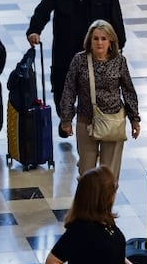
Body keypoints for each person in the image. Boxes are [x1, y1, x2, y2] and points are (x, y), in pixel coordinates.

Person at [26, 0, 126, 115]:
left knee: (95, 98)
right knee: (61, 94)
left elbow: (117, 23)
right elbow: (42, 11)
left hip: (96, 57)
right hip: (65, 56)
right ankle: (66, 120)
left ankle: (89, 127)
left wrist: (116, 49)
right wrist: (34, 31)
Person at [59, 20, 141, 179]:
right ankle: (87, 203)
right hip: (87, 120)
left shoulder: (119, 61)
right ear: (89, 41)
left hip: (113, 122)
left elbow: (128, 90)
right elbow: (69, 90)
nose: (99, 42)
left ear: (111, 42)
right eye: (95, 38)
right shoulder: (79, 60)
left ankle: (105, 203)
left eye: (104, 38)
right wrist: (66, 119)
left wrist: (134, 119)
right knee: (86, 172)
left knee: (109, 175)